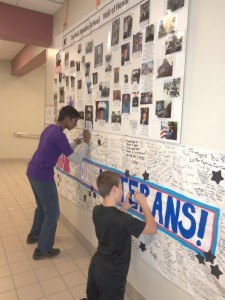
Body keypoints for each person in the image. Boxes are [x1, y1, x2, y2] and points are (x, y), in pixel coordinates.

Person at [26, 106, 91, 260]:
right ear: (67, 119)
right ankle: (43, 250)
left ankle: (34, 236)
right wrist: (86, 143)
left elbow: (61, 150)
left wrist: (75, 143)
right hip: (42, 176)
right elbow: (75, 159)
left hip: (33, 172)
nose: (75, 125)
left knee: (42, 208)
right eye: (74, 121)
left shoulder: (51, 130)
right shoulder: (58, 135)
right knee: (53, 213)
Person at [83, 171, 157, 300]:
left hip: (96, 267)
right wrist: (144, 203)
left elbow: (113, 222)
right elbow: (152, 228)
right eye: (121, 187)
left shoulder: (97, 211)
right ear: (114, 189)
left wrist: (123, 208)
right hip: (113, 275)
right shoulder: (124, 220)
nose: (122, 191)